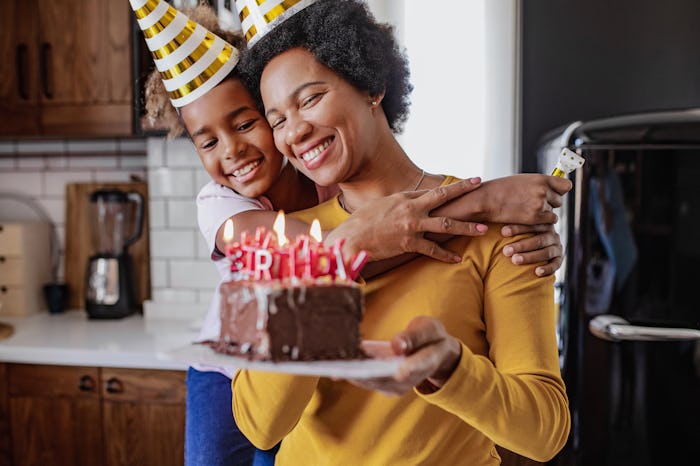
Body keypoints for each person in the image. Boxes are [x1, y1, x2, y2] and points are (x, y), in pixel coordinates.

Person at [135, 2, 570, 464]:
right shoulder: (278, 242)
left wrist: (452, 369)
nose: (295, 131)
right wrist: (332, 263)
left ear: (370, 85)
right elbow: (259, 425)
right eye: (277, 118)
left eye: (309, 99)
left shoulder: (498, 230)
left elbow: (544, 433)